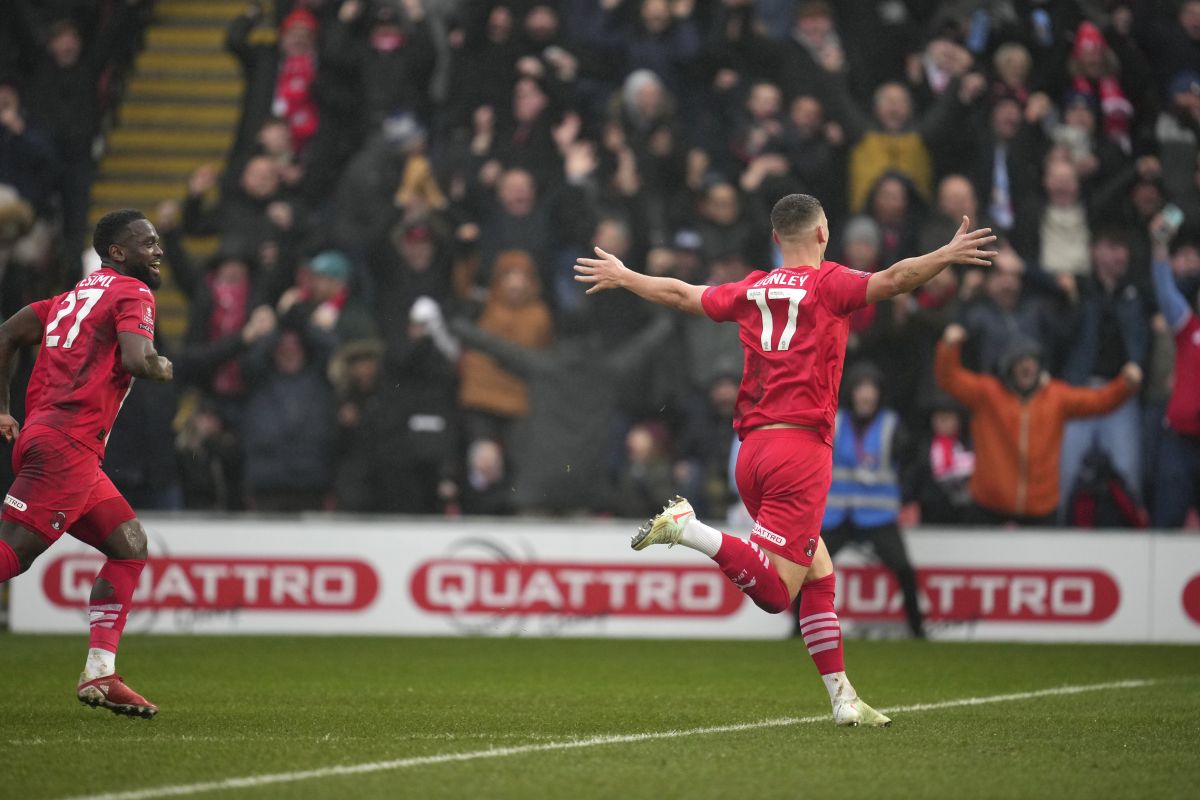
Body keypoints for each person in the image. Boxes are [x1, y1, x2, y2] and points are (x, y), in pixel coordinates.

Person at [574, 193, 996, 726]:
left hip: (751, 453)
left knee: (818, 570)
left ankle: (843, 698)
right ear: (823, 234)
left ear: (776, 240)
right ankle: (689, 528)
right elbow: (895, 279)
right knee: (777, 594)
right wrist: (946, 253)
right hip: (800, 452)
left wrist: (626, 274)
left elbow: (683, 294)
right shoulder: (830, 283)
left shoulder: (753, 287)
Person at [0, 209, 172, 718]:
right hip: (67, 446)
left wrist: (4, 409)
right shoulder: (132, 292)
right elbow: (140, 359)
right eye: (148, 243)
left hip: (54, 440)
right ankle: (99, 673)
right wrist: (162, 366)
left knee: (129, 544)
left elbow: (5, 334)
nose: (157, 251)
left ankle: (100, 673)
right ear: (118, 253)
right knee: (14, 555)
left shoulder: (70, 296)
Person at [935, 324, 1141, 526]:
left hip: (1041, 509)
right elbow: (949, 379)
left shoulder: (1056, 397)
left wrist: (1124, 385)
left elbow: (1098, 401)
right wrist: (948, 346)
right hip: (989, 506)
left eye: (1032, 361)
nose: (1027, 367)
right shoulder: (988, 394)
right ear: (1009, 366)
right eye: (1021, 361)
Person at [820, 363, 925, 639]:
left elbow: (913, 463)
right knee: (807, 568)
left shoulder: (892, 425)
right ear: (852, 393)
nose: (866, 396)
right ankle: (798, 628)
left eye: (871, 390)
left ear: (879, 394)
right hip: (838, 514)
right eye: (860, 389)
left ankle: (918, 629)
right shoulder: (835, 421)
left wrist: (906, 494)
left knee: (903, 569)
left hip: (876, 516)